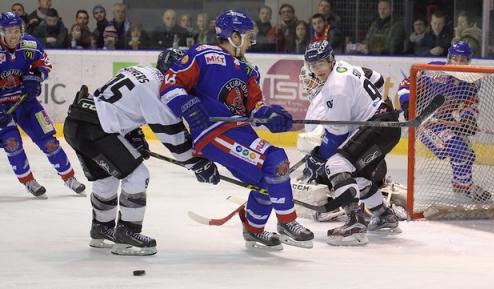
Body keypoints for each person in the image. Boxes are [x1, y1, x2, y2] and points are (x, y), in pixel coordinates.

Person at [159, 10, 314, 251]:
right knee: (276, 159)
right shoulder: (203, 54)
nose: (251, 42)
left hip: (241, 133)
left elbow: (254, 106)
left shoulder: (248, 69)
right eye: (248, 36)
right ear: (233, 35)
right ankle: (288, 222)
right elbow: (169, 84)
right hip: (214, 132)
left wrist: (269, 115)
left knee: (268, 182)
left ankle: (253, 231)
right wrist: (187, 105)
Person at [63, 49, 220, 256]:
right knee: (138, 175)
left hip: (77, 123)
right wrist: (199, 163)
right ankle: (127, 232)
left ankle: (101, 229)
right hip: (97, 129)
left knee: (107, 177)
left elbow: (122, 104)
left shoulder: (141, 70)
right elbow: (175, 140)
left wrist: (135, 135)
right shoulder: (161, 91)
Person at [301, 40, 402, 246]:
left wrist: (319, 157)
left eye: (321, 63)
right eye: (313, 65)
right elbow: (377, 78)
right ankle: (384, 215)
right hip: (385, 126)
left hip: (377, 128)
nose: (317, 69)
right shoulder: (344, 66)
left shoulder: (335, 88)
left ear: (330, 60)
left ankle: (354, 223)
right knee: (356, 175)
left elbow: (337, 134)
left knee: (336, 165)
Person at [0, 12, 85, 199]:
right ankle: (28, 181)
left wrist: (36, 78)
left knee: (49, 141)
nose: (14, 35)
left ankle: (69, 177)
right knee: (12, 143)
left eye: (17, 31)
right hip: (1, 107)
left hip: (26, 102)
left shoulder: (29, 44)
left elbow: (45, 65)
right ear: (1, 32)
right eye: (9, 31)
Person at [397, 40, 492, 203]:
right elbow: (406, 85)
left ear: (468, 62)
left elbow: (470, 104)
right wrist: (407, 106)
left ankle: (461, 185)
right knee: (457, 147)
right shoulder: (434, 71)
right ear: (449, 58)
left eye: (463, 60)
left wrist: (468, 119)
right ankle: (465, 187)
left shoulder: (471, 81)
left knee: (467, 155)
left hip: (444, 121)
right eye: (455, 58)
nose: (458, 63)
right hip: (425, 122)